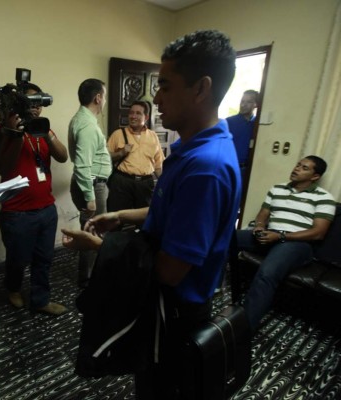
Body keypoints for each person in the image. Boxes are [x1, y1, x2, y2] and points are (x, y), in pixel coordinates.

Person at [62, 30, 241, 398]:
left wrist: (99, 247)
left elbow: (171, 270)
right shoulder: (192, 150)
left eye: (164, 85)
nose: (155, 98)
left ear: (201, 89)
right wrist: (124, 216)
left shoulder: (206, 167)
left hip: (176, 314)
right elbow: (169, 212)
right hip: (164, 304)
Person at [0, 82, 69, 315]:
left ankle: (41, 300)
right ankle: (13, 289)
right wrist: (15, 134)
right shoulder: (0, 130)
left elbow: (63, 157)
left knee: (44, 258)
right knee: (18, 259)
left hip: (46, 207)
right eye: (30, 102)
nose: (35, 108)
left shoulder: (43, 129)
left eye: (39, 102)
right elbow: (4, 167)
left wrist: (47, 133)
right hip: (16, 212)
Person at [238, 155, 336, 333]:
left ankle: (243, 329)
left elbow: (318, 233)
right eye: (298, 165)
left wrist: (281, 236)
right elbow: (262, 215)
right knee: (224, 239)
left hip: (298, 244)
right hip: (271, 236)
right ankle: (211, 287)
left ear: (315, 176)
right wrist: (259, 227)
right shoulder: (277, 189)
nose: (297, 169)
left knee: (267, 273)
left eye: (304, 168)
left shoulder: (324, 198)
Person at [68, 78, 112, 287]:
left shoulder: (82, 119)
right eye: (103, 96)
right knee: (93, 233)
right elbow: (82, 166)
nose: (104, 101)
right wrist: (90, 197)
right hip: (92, 186)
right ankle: (89, 279)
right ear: (98, 97)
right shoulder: (86, 125)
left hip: (92, 184)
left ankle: (89, 276)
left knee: (91, 231)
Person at [106, 100, 165, 212]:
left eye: (138, 113)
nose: (133, 116)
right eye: (131, 113)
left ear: (146, 117)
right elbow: (104, 159)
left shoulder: (153, 136)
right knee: (115, 219)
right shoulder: (118, 134)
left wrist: (163, 185)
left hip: (145, 183)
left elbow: (158, 166)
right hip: (122, 182)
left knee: (145, 220)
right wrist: (120, 153)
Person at [226, 89, 259, 190]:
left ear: (256, 104)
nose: (243, 105)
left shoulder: (257, 124)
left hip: (247, 169)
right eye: (242, 101)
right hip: (229, 167)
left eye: (248, 102)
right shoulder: (229, 122)